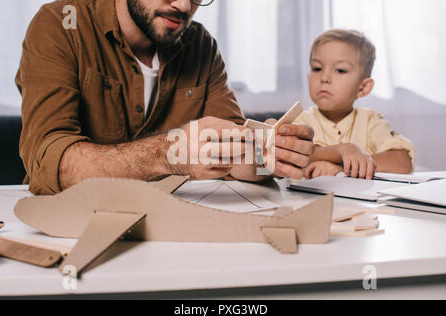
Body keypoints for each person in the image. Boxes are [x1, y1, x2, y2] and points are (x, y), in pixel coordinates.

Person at [16, 0, 314, 195]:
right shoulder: (61, 24)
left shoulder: (200, 44)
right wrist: (170, 152)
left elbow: (231, 154)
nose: (184, 5)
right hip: (67, 228)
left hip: (170, 230)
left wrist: (268, 156)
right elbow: (48, 163)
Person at [293, 29, 414, 180]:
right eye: (317, 68)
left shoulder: (370, 121)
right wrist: (344, 150)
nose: (324, 77)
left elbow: (402, 161)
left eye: (340, 70)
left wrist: (343, 168)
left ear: (363, 87)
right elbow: (296, 155)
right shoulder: (301, 121)